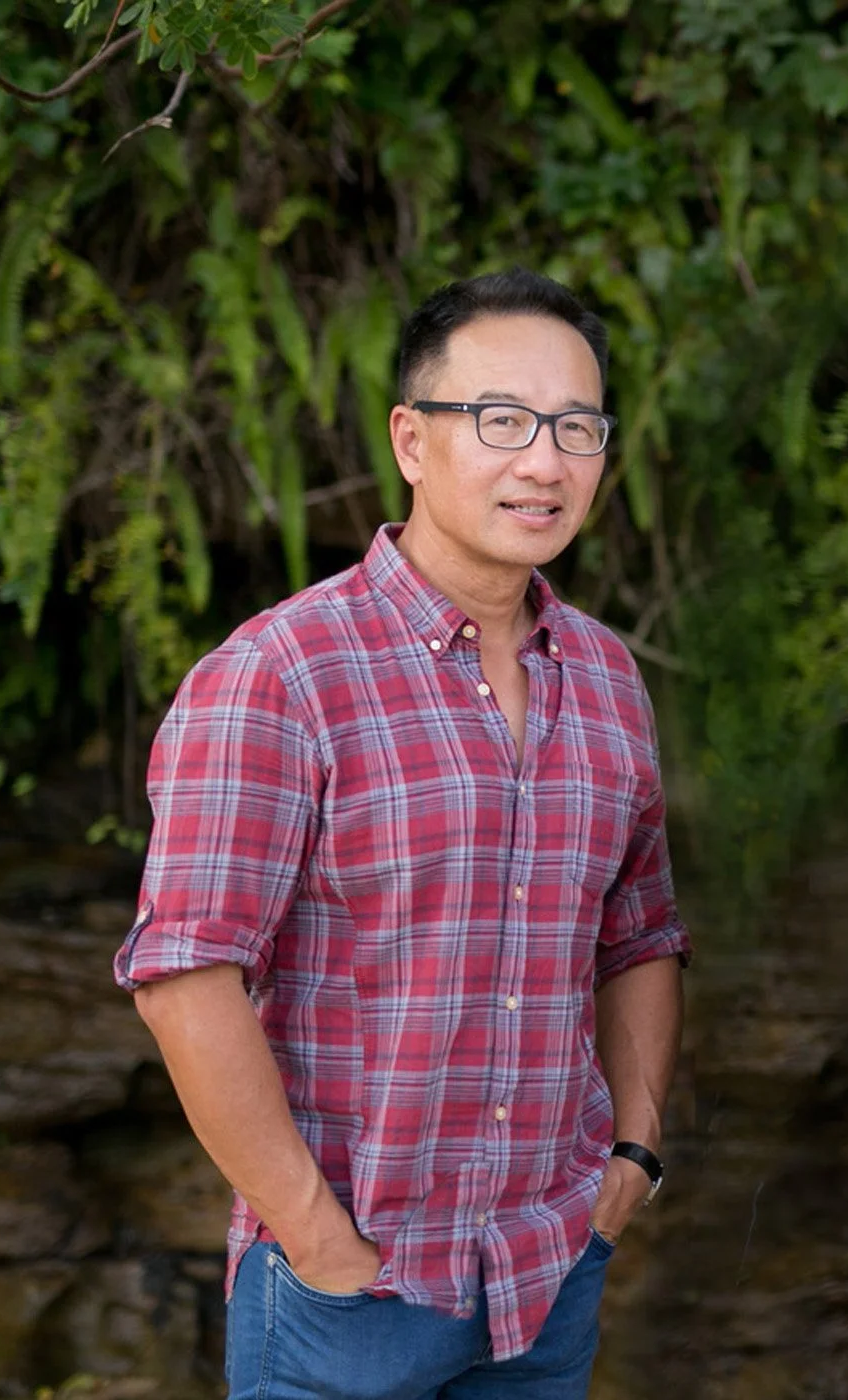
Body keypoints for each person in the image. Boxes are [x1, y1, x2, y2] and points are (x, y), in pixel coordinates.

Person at [114, 267, 692, 1400]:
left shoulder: (610, 680)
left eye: (577, 426)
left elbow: (640, 934)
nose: (544, 460)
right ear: (412, 441)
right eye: (501, 419)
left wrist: (632, 1154)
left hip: (547, 1277)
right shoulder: (279, 675)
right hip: (350, 1296)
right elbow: (186, 973)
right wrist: (317, 1235)